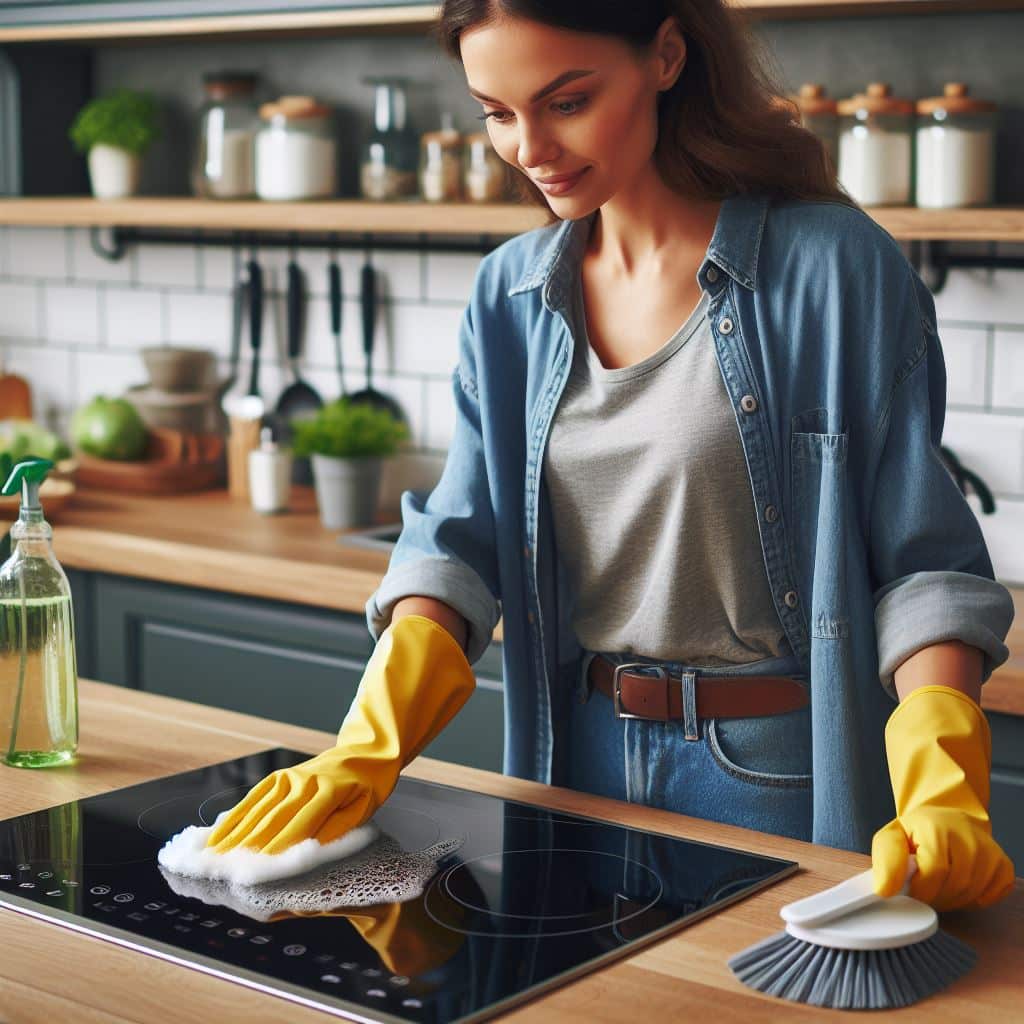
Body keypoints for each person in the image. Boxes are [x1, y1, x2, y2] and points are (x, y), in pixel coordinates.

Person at [207, 0, 1015, 912]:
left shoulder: (834, 269)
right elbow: (458, 544)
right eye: (497, 113)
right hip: (576, 758)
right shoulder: (508, 296)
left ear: (666, 55)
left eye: (567, 102)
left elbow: (921, 568)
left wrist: (943, 781)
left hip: (770, 772)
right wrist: (367, 746)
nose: (529, 148)